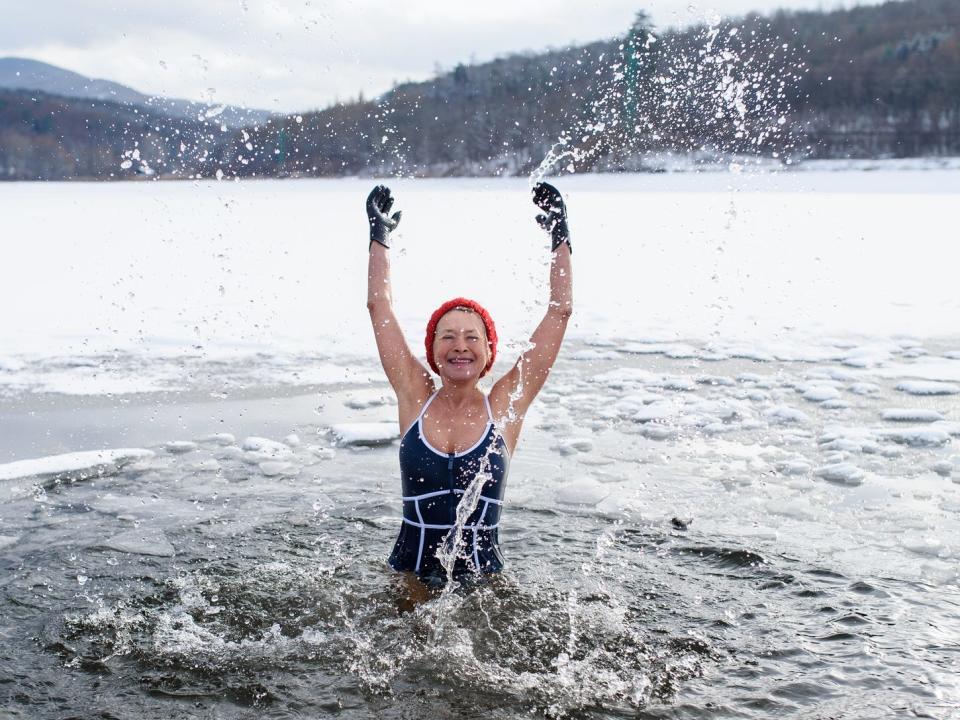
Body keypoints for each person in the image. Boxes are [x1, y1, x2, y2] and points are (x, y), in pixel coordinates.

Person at [365, 182, 573, 585]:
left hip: (485, 582)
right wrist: (379, 238)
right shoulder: (415, 396)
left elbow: (560, 312)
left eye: (472, 337)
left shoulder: (506, 405)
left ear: (487, 350)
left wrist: (560, 236)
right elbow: (379, 307)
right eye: (448, 336)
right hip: (409, 577)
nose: (460, 347)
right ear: (433, 350)